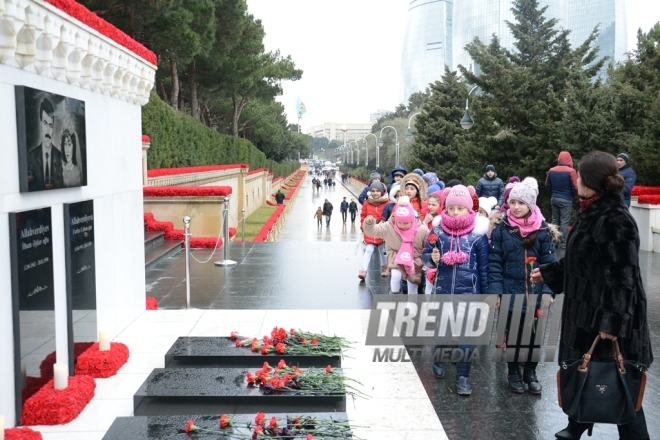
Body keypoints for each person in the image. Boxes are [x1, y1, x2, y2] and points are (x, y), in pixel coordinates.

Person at [533, 151, 652, 440]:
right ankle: (576, 426)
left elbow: (623, 277)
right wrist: (550, 273)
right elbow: (583, 260)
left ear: (591, 182)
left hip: (611, 319)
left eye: (580, 177)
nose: (576, 182)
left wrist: (611, 324)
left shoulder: (616, 219)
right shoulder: (591, 211)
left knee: (621, 385)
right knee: (587, 373)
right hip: (588, 313)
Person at [489, 177, 558, 395]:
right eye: (513, 202)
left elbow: (551, 263)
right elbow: (495, 263)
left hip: (536, 292)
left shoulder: (543, 230)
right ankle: (514, 372)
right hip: (511, 289)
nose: (516, 207)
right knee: (515, 335)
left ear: (531, 204)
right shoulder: (503, 228)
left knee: (535, 335)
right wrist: (496, 292)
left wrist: (549, 291)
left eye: (521, 203)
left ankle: (530, 372)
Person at [422, 185, 490, 395]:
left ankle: (463, 377)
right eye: (451, 208)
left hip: (468, 292)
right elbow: (426, 254)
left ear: (468, 209)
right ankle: (439, 360)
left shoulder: (478, 235)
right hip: (443, 289)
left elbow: (484, 267)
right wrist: (431, 260)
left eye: (459, 208)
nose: (454, 212)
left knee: (465, 338)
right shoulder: (438, 231)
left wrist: (486, 295)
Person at [363, 195, 429, 292]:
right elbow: (373, 231)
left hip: (414, 259)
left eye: (406, 223)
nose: (402, 225)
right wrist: (369, 223)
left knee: (412, 285)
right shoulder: (388, 226)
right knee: (396, 274)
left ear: (412, 219)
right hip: (395, 256)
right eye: (399, 222)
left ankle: (412, 304)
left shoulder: (421, 229)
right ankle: (394, 293)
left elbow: (429, 244)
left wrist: (428, 259)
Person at [27, 98, 63, 190]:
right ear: (40, 125)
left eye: (51, 125)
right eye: (45, 123)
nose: (48, 130)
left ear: (53, 128)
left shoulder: (59, 156)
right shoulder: (32, 156)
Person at [545, 152, 577, 249]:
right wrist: (572, 195)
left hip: (554, 198)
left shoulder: (551, 170)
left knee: (555, 220)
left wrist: (554, 192)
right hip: (566, 199)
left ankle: (554, 242)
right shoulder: (571, 171)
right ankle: (563, 245)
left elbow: (547, 185)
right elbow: (575, 187)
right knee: (564, 222)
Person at [358, 181, 389, 279]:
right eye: (373, 191)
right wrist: (363, 226)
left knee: (381, 250)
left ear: (382, 192)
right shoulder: (367, 203)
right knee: (369, 249)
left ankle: (384, 267)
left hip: (382, 231)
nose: (375, 193)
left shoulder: (387, 203)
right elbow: (363, 215)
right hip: (370, 231)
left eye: (377, 191)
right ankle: (363, 270)